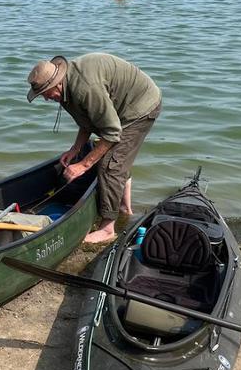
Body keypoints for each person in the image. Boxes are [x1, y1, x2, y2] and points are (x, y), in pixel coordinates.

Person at [26, 53, 161, 243]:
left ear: (56, 84)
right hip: (118, 106)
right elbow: (87, 121)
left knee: (109, 164)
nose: (46, 99)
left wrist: (83, 165)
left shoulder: (84, 88)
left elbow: (112, 132)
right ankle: (124, 208)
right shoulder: (66, 91)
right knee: (114, 156)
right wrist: (75, 149)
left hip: (140, 106)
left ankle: (107, 229)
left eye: (46, 93)